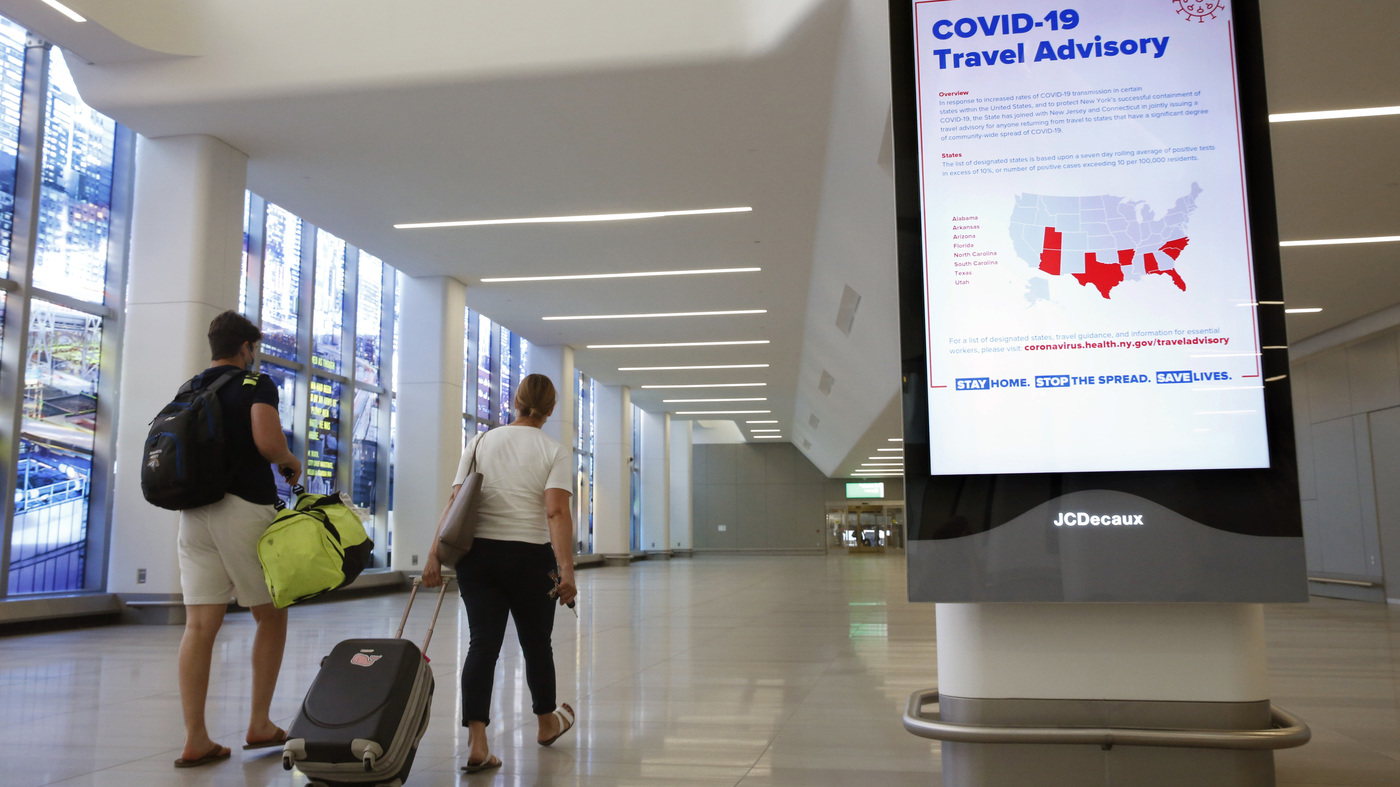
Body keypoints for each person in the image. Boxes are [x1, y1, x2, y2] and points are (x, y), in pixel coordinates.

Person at [422, 373, 579, 774]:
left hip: (478, 558)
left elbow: (455, 501)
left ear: (514, 402)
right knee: (536, 645)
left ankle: (478, 742)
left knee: (482, 645)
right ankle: (546, 723)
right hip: (531, 559)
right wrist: (566, 570)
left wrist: (433, 555)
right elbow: (556, 512)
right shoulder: (554, 451)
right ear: (551, 409)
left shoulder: (479, 442)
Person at [171, 311, 302, 768]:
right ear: (246, 348)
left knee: (199, 626)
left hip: (193, 513)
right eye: (254, 348)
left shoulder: (189, 387)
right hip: (243, 509)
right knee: (271, 615)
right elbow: (267, 441)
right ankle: (260, 722)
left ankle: (196, 738)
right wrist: (289, 460)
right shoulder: (255, 384)